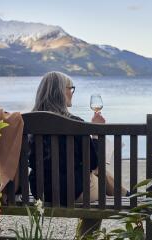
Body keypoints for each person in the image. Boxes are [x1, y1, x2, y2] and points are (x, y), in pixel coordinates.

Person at [28, 71, 129, 236]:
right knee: (99, 182)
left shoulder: (28, 122)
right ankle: (130, 197)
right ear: (61, 92)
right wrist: (96, 133)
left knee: (98, 176)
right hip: (72, 192)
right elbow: (94, 163)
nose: (72, 92)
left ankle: (128, 195)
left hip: (41, 191)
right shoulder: (75, 124)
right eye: (70, 88)